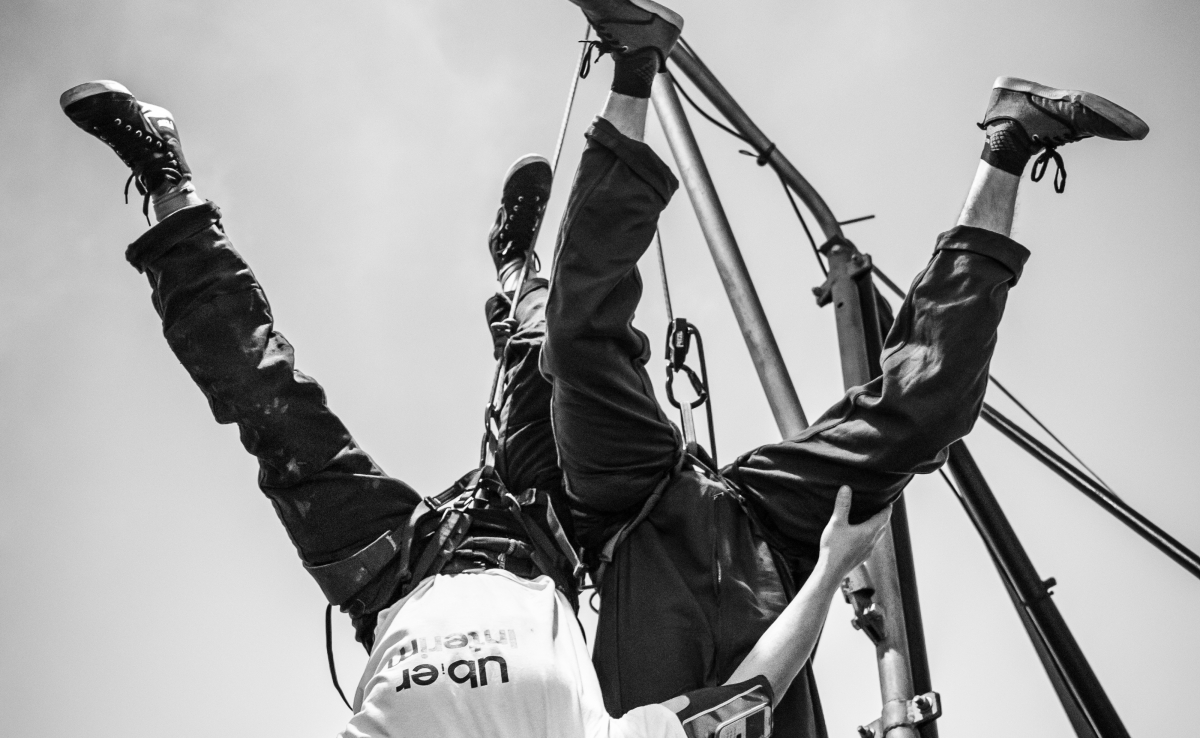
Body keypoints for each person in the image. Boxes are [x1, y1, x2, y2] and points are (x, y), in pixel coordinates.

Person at [59, 72, 891, 737]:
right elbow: (746, 695)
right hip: (534, 538)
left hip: (387, 573)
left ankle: (167, 184)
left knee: (265, 400)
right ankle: (517, 271)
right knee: (548, 366)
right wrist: (828, 571)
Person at [545, 0, 1149, 733]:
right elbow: (752, 695)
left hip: (630, 512)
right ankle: (1011, 139)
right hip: (773, 541)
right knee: (930, 407)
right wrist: (830, 566)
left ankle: (635, 62)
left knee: (578, 341)